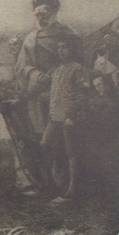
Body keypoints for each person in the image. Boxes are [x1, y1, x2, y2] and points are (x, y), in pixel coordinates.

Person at [14, 0, 83, 138]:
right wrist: (36, 75)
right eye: (37, 15)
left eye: (44, 14)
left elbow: (80, 62)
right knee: (43, 129)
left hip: (64, 87)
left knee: (65, 131)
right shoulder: (31, 39)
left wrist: (60, 72)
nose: (40, 18)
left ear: (54, 13)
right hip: (38, 88)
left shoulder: (69, 34)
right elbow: (22, 66)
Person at [41, 38, 90, 203]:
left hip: (70, 117)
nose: (61, 51)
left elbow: (83, 94)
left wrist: (71, 115)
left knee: (71, 151)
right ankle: (57, 181)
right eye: (59, 47)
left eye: (65, 47)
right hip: (55, 116)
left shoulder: (78, 69)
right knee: (45, 143)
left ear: (72, 49)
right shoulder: (56, 70)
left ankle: (72, 189)